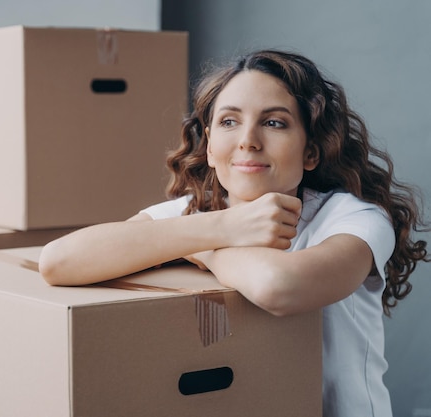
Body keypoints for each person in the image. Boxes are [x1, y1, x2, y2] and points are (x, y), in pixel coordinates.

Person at [38, 50, 428, 417]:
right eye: (229, 121)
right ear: (209, 147)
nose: (247, 140)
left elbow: (279, 286)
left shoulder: (354, 218)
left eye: (274, 122)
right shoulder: (195, 215)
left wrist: (201, 249)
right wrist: (224, 226)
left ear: (310, 151)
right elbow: (58, 262)